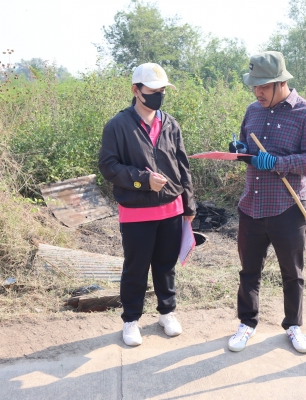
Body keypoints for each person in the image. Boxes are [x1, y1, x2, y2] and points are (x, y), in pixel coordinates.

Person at [227, 51, 306, 353]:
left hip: (287, 208)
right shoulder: (252, 111)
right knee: (249, 271)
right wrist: (240, 151)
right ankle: (247, 324)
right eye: (254, 86)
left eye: (263, 86)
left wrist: (278, 163)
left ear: (281, 83)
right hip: (251, 206)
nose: (257, 92)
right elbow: (248, 151)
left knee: (292, 273)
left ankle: (293, 326)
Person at [98, 63, 196, 347]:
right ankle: (131, 320)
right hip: (136, 212)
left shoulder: (170, 124)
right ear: (136, 90)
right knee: (136, 267)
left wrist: (189, 205)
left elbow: (182, 166)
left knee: (166, 265)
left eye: (162, 90)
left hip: (172, 209)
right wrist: (142, 180)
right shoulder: (118, 125)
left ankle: (167, 312)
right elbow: (108, 166)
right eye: (153, 90)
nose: (159, 96)